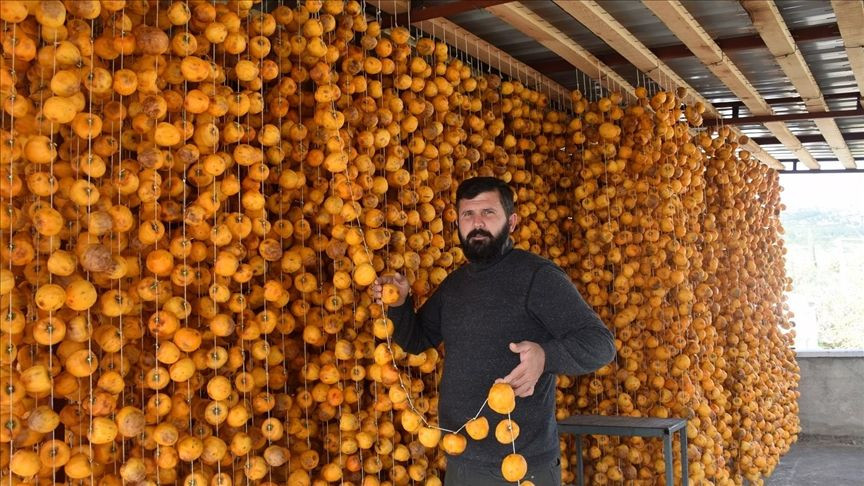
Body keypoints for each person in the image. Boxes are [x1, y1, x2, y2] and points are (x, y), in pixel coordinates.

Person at [372, 176, 616, 486]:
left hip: (521, 466)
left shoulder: (537, 276)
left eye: (488, 213)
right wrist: (401, 304)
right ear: (458, 224)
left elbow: (600, 343)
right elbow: (418, 340)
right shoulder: (455, 285)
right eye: (467, 215)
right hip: (462, 460)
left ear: (511, 222)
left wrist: (545, 356)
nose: (477, 224)